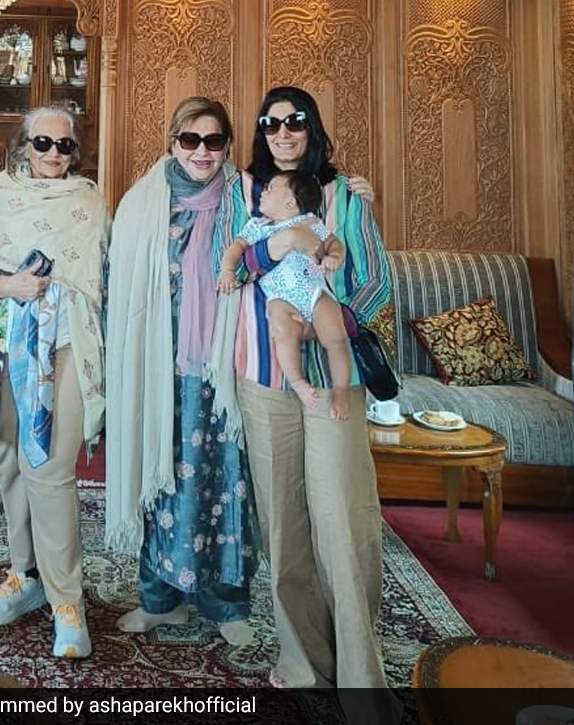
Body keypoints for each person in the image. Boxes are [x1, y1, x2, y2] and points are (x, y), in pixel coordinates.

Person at [228, 85, 400, 723]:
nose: (282, 132)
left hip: (334, 375)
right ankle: (303, 659)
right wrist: (277, 246)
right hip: (264, 377)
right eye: (270, 123)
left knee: (341, 518)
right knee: (283, 523)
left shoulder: (345, 195)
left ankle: (360, 678)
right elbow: (236, 267)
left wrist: (334, 323)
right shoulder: (243, 193)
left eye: (294, 121)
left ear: (312, 127)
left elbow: (377, 278)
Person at [103, 96, 260, 647]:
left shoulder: (245, 200)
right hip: (157, 372)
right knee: (159, 480)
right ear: (172, 143)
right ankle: (159, 599)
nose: (202, 152)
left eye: (214, 141)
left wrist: (350, 191)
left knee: (224, 484)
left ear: (226, 147)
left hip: (222, 376)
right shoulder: (143, 202)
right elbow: (117, 290)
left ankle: (226, 603)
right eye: (190, 140)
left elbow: (307, 211)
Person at [0, 107, 109, 659]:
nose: (52, 153)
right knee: (10, 459)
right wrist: (14, 284)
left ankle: (68, 601)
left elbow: (102, 277)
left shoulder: (87, 202)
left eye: (63, 146)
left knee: (48, 465)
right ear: (23, 145)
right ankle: (28, 574)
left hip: (64, 348)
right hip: (0, 349)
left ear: (75, 152)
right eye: (42, 142)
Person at [218, 169, 352, 420]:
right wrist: (227, 270)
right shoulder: (257, 226)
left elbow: (333, 243)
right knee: (282, 331)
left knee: (337, 338)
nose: (263, 193)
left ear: (290, 202)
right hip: (281, 298)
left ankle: (341, 391)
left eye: (270, 189)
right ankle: (298, 381)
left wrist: (334, 256)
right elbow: (235, 248)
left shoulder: (310, 223)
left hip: (314, 291)